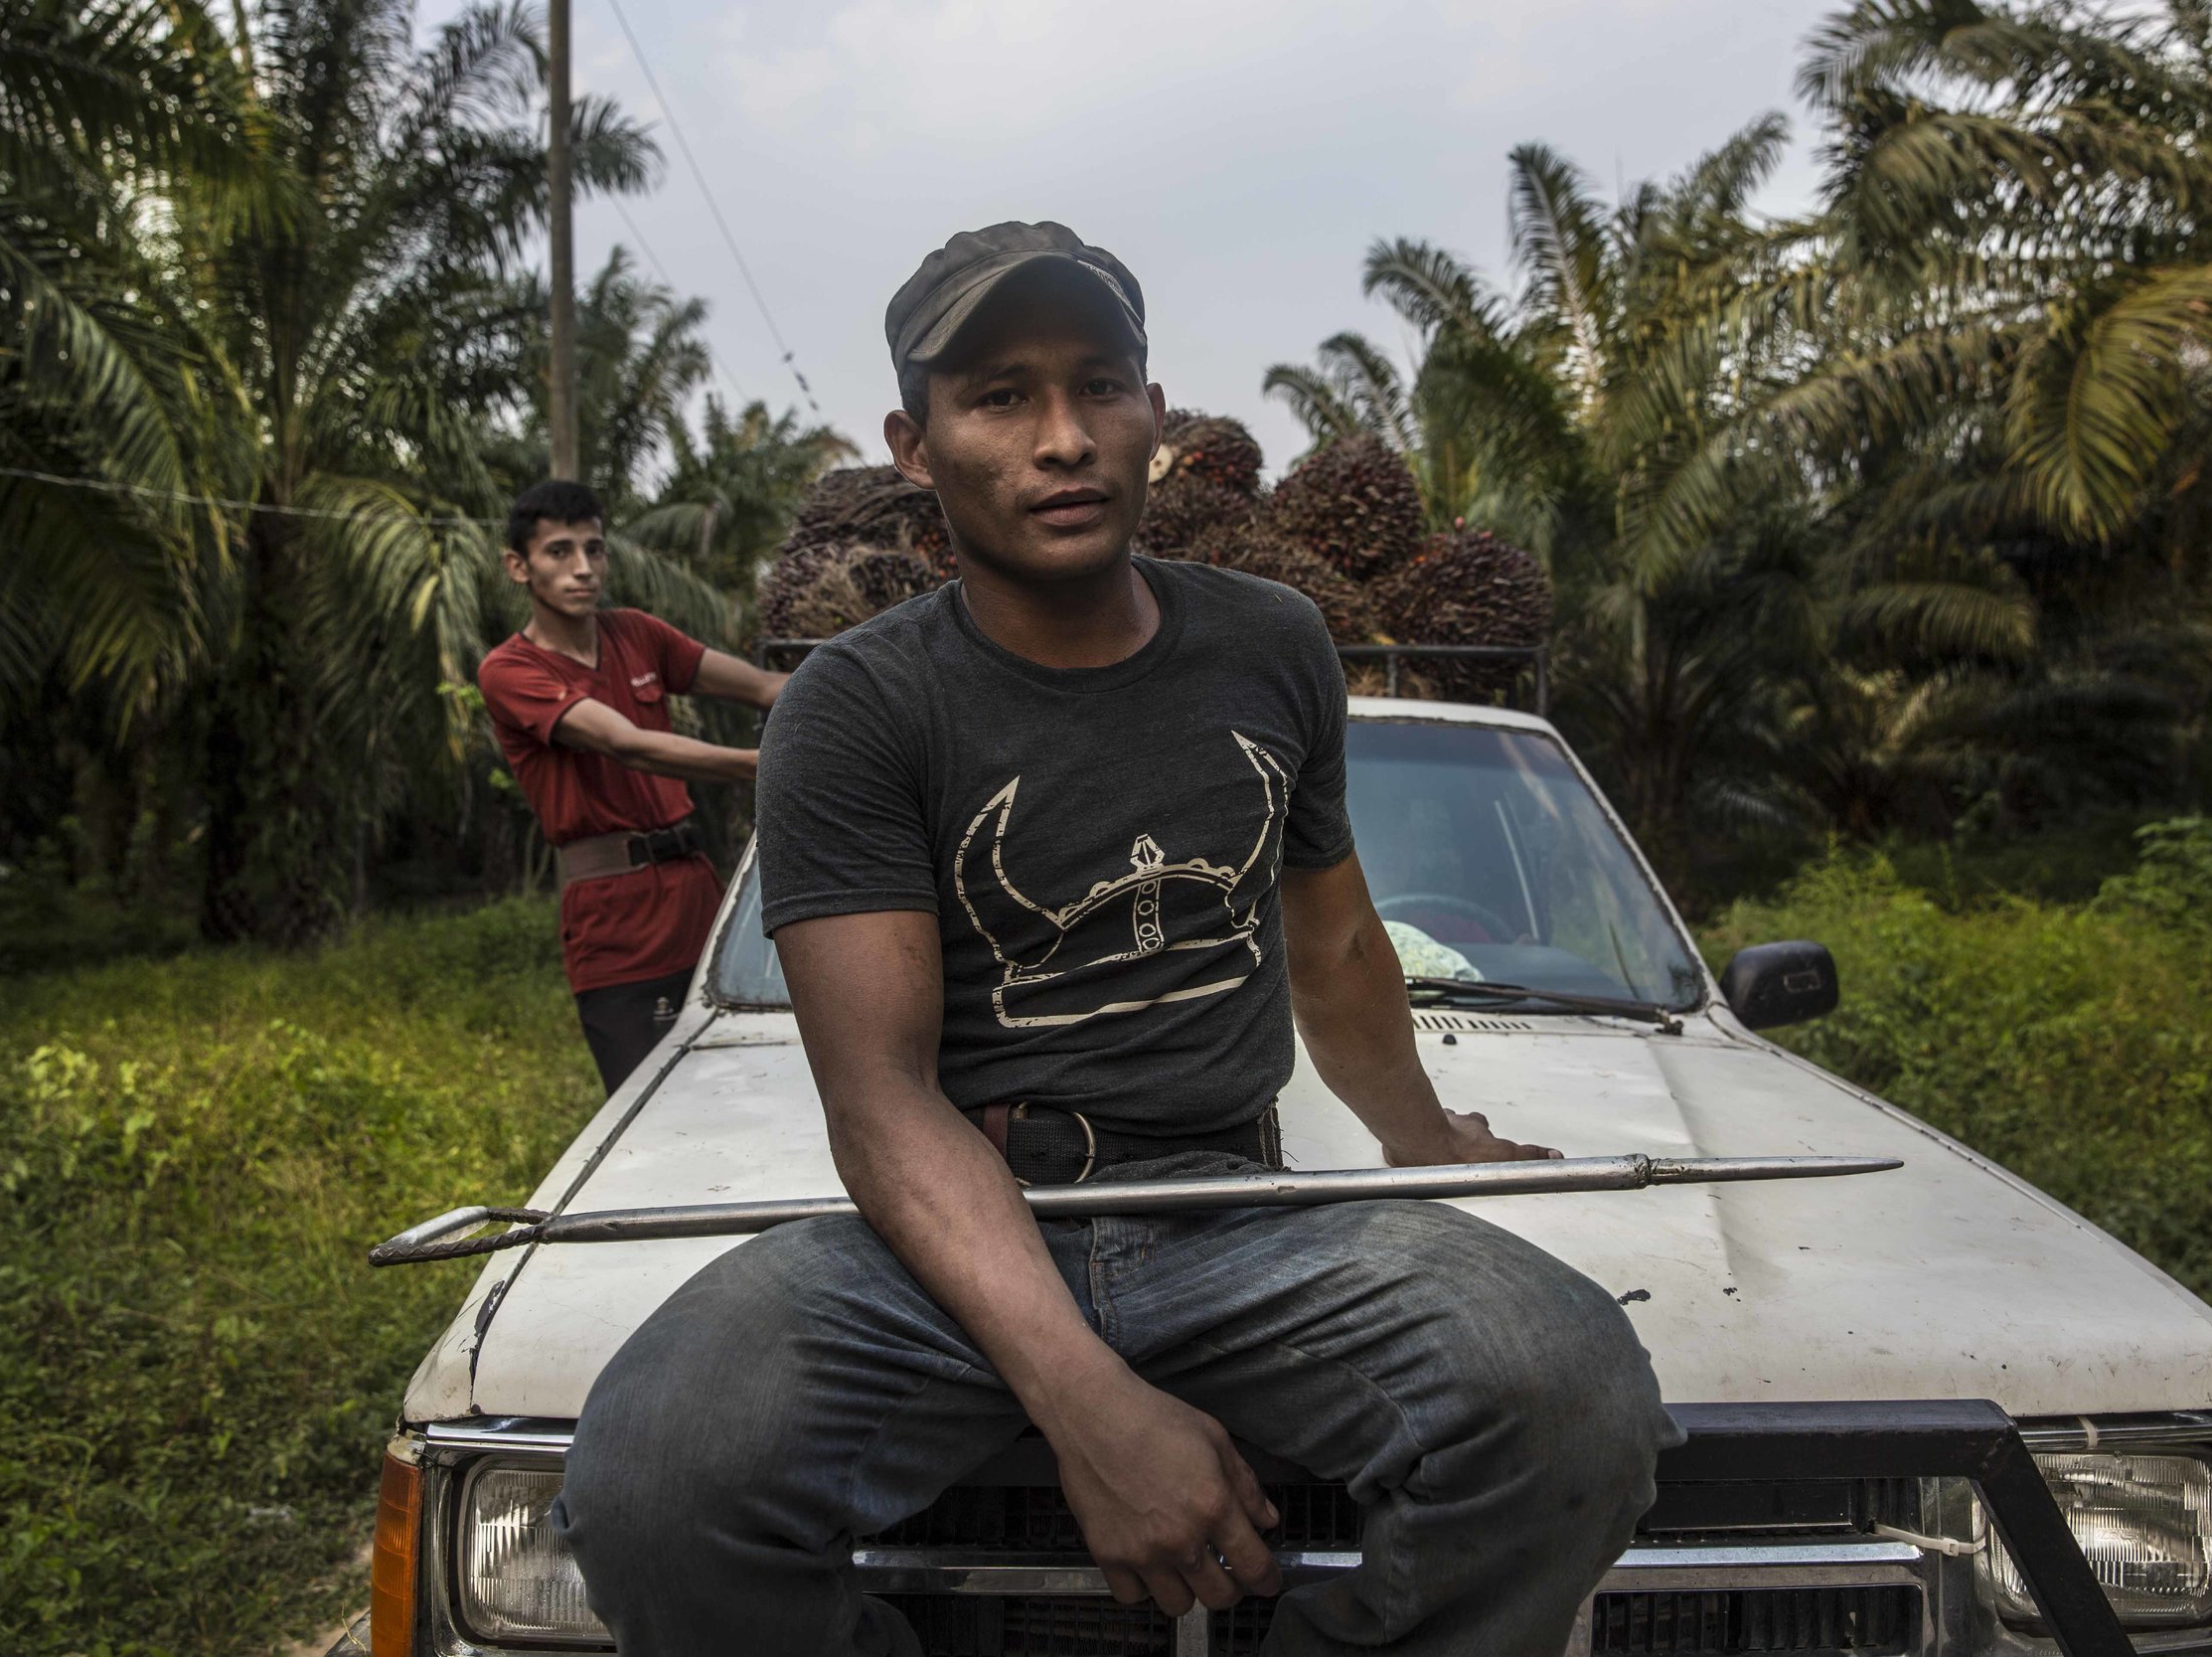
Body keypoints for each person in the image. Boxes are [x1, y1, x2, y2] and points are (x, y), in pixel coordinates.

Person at [552, 224, 1680, 1654]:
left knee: (1572, 1390)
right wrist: (1091, 1405)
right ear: (917, 441)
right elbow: (883, 1100)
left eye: (1102, 385)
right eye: (1001, 395)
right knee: (652, 1478)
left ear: (1157, 411)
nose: (1065, 437)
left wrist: (1423, 1137)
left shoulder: (1275, 643)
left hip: (1232, 1211)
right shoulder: (854, 705)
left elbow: (1331, 948)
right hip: (955, 1233)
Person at [478, 479, 785, 1096]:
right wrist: (776, 763)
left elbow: (759, 685)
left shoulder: (636, 634)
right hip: (613, 923)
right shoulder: (510, 670)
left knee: (748, 1081)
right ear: (519, 566)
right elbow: (628, 743)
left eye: (595, 549)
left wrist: (874, 682)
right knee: (648, 1105)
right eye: (560, 552)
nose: (583, 568)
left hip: (697, 895)